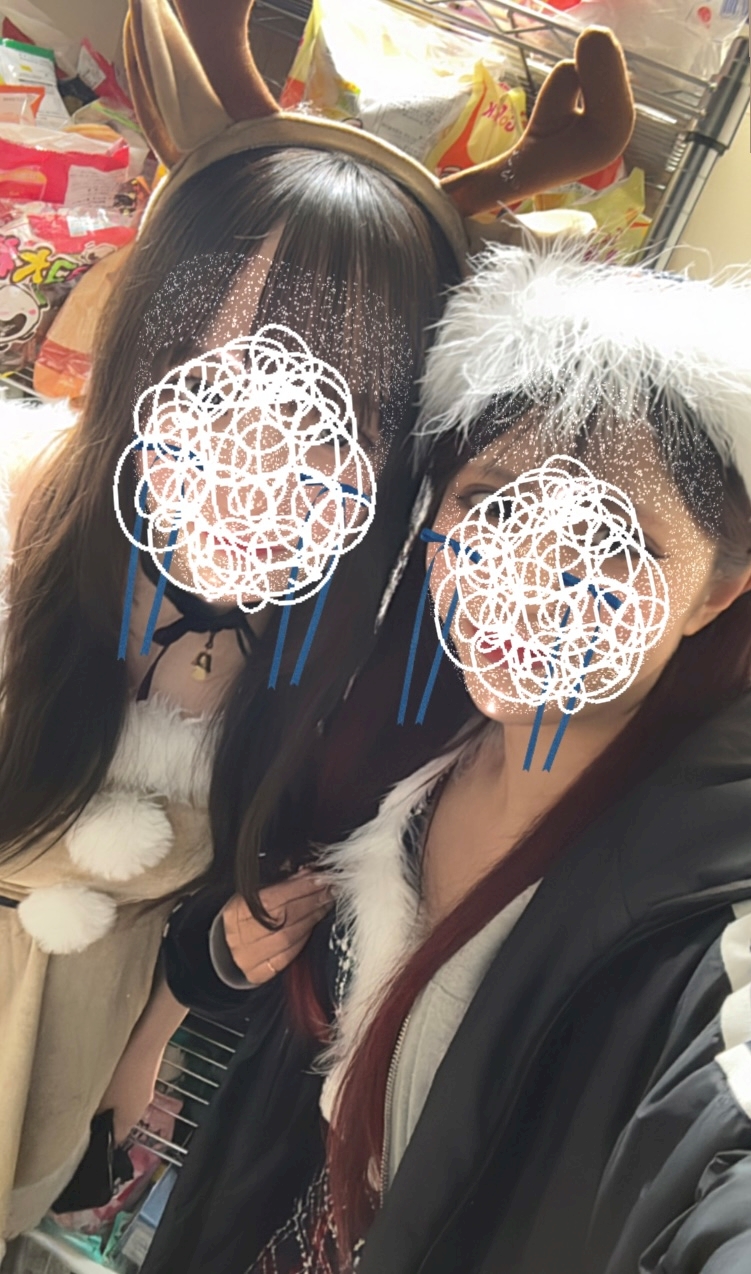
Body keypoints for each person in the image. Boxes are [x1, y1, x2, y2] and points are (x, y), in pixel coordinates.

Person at [0, 0, 634, 1256]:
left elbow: (221, 925)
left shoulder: (344, 653)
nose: (262, 435)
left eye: (341, 399)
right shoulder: (21, 525)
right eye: (220, 355)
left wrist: (142, 1055)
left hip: (59, 1078)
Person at [145, 243, 751, 1274]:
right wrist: (221, 951)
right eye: (493, 503)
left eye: (613, 542)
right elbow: (250, 978)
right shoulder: (400, 742)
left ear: (717, 592)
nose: (532, 579)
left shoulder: (710, 910)